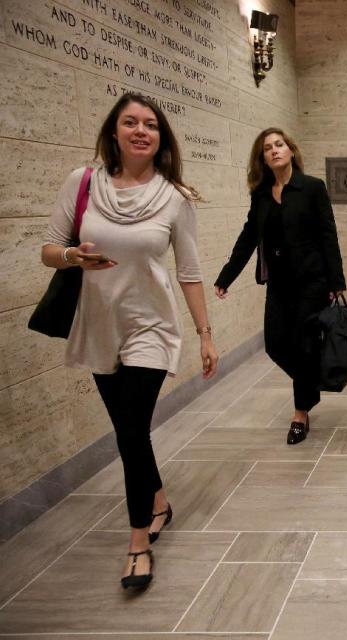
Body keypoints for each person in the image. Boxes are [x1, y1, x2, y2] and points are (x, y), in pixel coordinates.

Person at [40, 93, 219, 589]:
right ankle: (159, 500)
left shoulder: (175, 196)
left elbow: (189, 271)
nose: (141, 130)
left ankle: (138, 541)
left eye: (151, 124)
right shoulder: (83, 183)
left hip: (151, 327)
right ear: (114, 131)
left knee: (132, 427)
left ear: (161, 137)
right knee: (127, 431)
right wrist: (73, 255)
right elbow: (49, 249)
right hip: (99, 325)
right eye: (130, 122)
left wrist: (205, 335)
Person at [214, 128, 345, 445]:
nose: (274, 150)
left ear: (290, 150)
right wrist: (226, 275)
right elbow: (248, 237)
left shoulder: (312, 187)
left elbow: (328, 234)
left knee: (302, 343)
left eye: (279, 145)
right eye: (267, 148)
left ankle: (300, 413)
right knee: (274, 343)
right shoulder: (260, 194)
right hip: (279, 283)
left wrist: (336, 281)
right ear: (262, 159)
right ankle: (310, 381)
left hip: (312, 282)